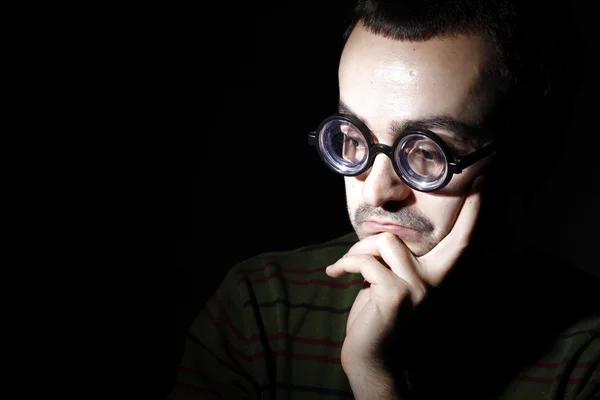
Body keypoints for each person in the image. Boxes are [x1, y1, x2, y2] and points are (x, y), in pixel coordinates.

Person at [166, 0, 599, 398]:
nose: (376, 191)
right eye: (353, 138)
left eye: (428, 151)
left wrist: (375, 376)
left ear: (530, 159)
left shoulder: (588, 353)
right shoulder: (259, 309)